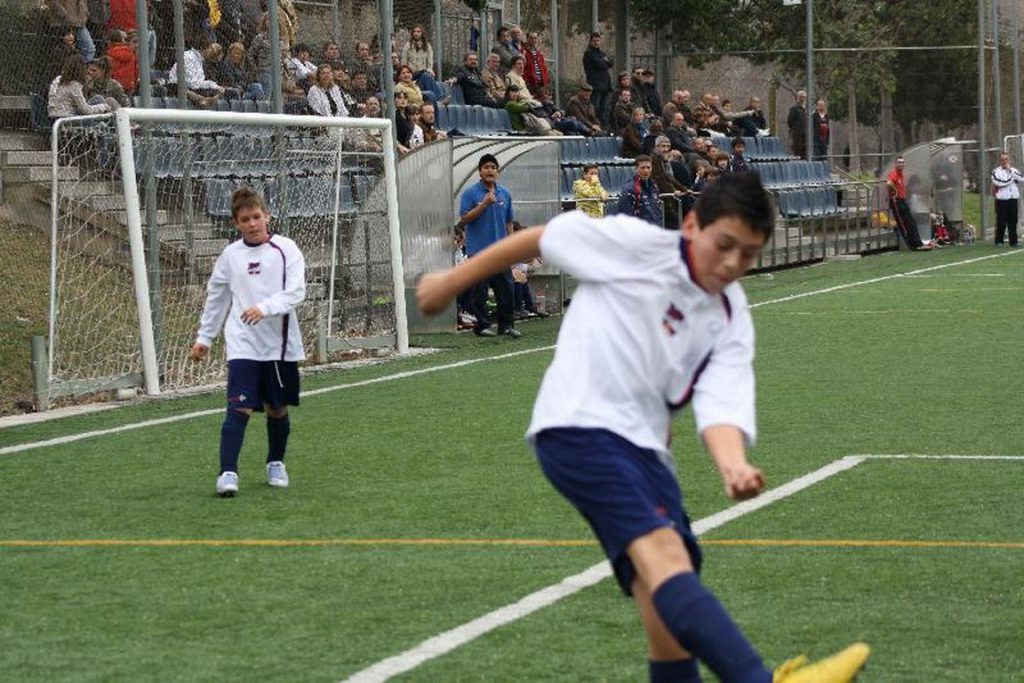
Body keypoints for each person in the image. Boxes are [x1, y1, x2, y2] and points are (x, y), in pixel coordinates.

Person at [415, 171, 871, 683]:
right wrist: (451, 282)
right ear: (692, 225)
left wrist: (733, 464)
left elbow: (722, 403)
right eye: (724, 245)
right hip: (581, 426)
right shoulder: (636, 245)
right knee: (664, 557)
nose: (731, 263)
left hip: (647, 451)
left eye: (747, 255)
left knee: (668, 617)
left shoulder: (731, 313)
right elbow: (541, 238)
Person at [189, 187, 306, 498]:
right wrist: (205, 337)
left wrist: (264, 308)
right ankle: (228, 473)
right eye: (245, 219)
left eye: (257, 217)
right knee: (238, 408)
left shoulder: (286, 249)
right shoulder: (230, 256)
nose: (253, 223)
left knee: (276, 409)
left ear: (267, 216)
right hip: (242, 345)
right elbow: (217, 297)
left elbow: (297, 292)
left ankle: (275, 463)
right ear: (236, 223)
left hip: (280, 346)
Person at [458, 153, 520, 338]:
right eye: (486, 167)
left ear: (497, 172)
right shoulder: (470, 193)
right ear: (479, 172)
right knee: (480, 291)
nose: (490, 170)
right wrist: (484, 204)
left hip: (500, 251)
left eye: (493, 167)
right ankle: (482, 325)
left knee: (506, 290)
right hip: (479, 251)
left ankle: (506, 325)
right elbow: (464, 218)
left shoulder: (505, 193)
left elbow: (509, 221)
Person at [886, 156, 933, 251]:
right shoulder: (894, 174)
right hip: (896, 201)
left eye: (902, 162)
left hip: (902, 200)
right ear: (896, 164)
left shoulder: (901, 174)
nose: (901, 164)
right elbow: (888, 183)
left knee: (910, 222)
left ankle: (916, 244)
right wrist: (894, 191)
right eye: (899, 162)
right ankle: (914, 244)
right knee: (905, 223)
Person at [48, 55, 112, 120]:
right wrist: (103, 107)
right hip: (68, 119)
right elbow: (86, 110)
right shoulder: (74, 85)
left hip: (52, 116)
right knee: (98, 99)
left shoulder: (57, 79)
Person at [617, 154, 663, 228]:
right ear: (635, 169)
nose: (646, 170)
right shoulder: (629, 189)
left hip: (655, 230)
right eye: (642, 168)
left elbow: (657, 212)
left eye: (648, 167)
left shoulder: (654, 186)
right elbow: (625, 216)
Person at [991, 151, 1024, 247]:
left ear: (1009, 160)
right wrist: (1011, 180)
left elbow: (1021, 178)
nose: (1004, 161)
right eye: (1002, 160)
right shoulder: (996, 171)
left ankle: (1013, 241)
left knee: (1013, 221)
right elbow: (999, 183)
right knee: (1001, 221)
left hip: (1013, 198)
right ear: (1000, 161)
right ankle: (999, 241)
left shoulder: (1013, 170)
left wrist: (1011, 172)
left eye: (1006, 159)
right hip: (1002, 200)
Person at [582, 32, 614, 126]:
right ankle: (593, 126)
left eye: (598, 41)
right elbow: (601, 65)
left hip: (605, 86)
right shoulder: (589, 53)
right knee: (595, 108)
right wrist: (605, 61)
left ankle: (602, 127)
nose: (596, 43)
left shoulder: (601, 53)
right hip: (595, 86)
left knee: (603, 110)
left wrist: (606, 62)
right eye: (594, 41)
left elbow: (611, 63)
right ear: (590, 42)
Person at [521, 30, 550, 98]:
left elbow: (543, 67)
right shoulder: (523, 51)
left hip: (541, 82)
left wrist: (546, 79)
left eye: (535, 38)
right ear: (527, 38)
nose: (533, 40)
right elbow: (522, 67)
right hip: (530, 83)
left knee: (544, 100)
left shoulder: (539, 52)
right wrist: (526, 80)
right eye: (531, 38)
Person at [787, 90, 808, 158]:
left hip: (806, 133)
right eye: (801, 97)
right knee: (797, 150)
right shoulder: (794, 109)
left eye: (804, 97)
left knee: (805, 150)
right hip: (797, 133)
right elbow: (790, 121)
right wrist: (795, 128)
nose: (803, 99)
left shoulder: (807, 109)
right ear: (798, 97)